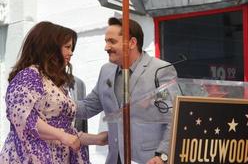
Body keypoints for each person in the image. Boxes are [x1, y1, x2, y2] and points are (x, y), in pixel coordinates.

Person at [0, 21, 107, 164]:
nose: (71, 53)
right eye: (67, 47)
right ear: (50, 48)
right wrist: (63, 137)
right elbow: (23, 118)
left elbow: (66, 131)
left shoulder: (55, 84)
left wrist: (98, 139)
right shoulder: (29, 76)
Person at [76, 17, 178, 164]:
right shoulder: (106, 71)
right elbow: (87, 107)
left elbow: (173, 117)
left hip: (149, 161)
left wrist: (163, 156)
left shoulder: (160, 71)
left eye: (112, 41)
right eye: (106, 41)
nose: (106, 47)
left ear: (132, 43)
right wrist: (54, 101)